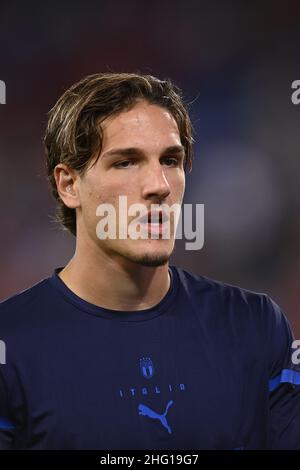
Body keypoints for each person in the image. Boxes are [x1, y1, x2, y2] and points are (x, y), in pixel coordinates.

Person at [0, 72, 299, 450]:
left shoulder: (256, 326)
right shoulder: (10, 346)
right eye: (126, 162)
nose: (159, 185)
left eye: (170, 160)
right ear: (68, 184)